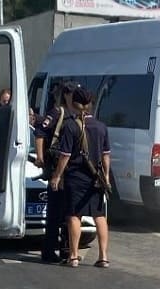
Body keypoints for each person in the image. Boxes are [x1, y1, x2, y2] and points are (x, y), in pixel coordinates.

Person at [48, 86, 111, 268]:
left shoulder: (70, 126)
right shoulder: (101, 127)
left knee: (74, 215)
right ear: (90, 104)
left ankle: (73, 256)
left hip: (75, 176)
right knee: (99, 216)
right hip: (96, 177)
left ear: (74, 104)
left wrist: (57, 176)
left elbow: (65, 155)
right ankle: (103, 257)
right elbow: (106, 155)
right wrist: (105, 177)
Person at [35, 81, 78, 263]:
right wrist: (40, 157)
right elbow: (40, 132)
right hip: (57, 168)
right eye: (72, 94)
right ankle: (49, 250)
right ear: (66, 95)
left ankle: (67, 250)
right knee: (54, 212)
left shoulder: (77, 114)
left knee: (69, 212)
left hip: (73, 169)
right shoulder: (58, 112)